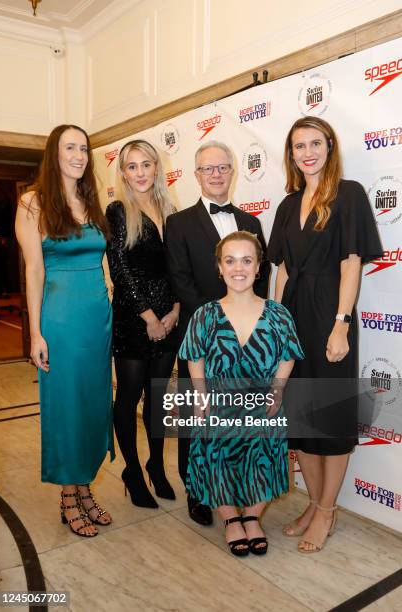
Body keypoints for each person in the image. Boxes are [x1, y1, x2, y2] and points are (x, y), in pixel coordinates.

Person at [268, 116, 383, 553]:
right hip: (294, 316)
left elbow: (351, 261)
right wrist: (277, 326)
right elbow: (281, 270)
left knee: (330, 420)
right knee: (302, 420)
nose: (308, 152)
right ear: (291, 154)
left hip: (329, 316)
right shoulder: (286, 205)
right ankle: (314, 503)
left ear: (330, 147)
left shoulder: (348, 194)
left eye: (316, 143)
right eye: (299, 146)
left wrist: (342, 323)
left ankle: (328, 511)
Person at [15, 124, 114, 538]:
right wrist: (36, 333)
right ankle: (68, 496)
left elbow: (101, 255)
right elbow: (34, 270)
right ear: (54, 153)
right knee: (67, 406)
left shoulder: (92, 201)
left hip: (97, 318)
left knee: (93, 403)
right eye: (70, 147)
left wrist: (107, 284)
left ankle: (85, 486)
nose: (79, 155)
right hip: (61, 318)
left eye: (84, 149)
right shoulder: (32, 202)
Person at [165, 140, 270, 526]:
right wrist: (215, 325)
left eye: (222, 167)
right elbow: (180, 278)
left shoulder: (253, 223)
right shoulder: (177, 223)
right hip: (202, 335)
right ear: (196, 175)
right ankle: (196, 491)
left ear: (233, 171)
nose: (216, 174)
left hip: (248, 339)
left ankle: (238, 483)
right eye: (207, 169)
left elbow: (263, 275)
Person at [179, 231, 303, 556]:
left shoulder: (279, 314)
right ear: (219, 267)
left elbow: (288, 355)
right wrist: (201, 395)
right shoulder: (205, 315)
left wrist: (277, 389)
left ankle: (252, 516)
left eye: (247, 260)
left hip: (263, 406)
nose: (239, 268)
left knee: (263, 460)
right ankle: (231, 518)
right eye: (230, 260)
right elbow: (194, 356)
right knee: (217, 460)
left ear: (259, 267)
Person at [106, 139, 179, 508]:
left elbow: (180, 267)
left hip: (170, 316)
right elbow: (120, 270)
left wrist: (176, 309)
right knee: (130, 396)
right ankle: (132, 471)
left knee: (158, 397)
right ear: (123, 173)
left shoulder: (170, 210)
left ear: (157, 167)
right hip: (135, 319)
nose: (140, 173)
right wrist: (149, 316)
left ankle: (156, 466)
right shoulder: (119, 210)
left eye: (146, 164)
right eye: (132, 167)